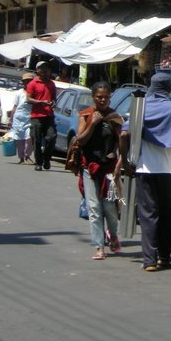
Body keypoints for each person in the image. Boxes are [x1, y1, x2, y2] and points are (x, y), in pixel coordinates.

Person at [123, 73, 171, 272]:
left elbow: (124, 134)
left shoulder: (141, 109)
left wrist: (126, 161)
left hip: (145, 169)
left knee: (148, 215)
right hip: (169, 170)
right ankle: (164, 257)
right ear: (168, 89)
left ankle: (149, 260)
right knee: (167, 215)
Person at [75, 82, 123, 260]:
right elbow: (81, 140)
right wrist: (92, 124)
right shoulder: (86, 116)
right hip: (89, 168)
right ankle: (99, 246)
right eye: (99, 97)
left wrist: (116, 155)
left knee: (110, 207)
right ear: (93, 97)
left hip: (108, 169)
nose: (102, 100)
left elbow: (121, 140)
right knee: (94, 208)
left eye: (106, 97)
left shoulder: (114, 117)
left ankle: (114, 235)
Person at [26, 61, 58, 170]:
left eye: (46, 68)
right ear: (37, 70)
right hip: (36, 117)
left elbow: (54, 99)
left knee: (52, 138)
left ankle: (47, 159)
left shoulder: (51, 84)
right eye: (42, 68)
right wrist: (41, 102)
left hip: (49, 116)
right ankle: (38, 162)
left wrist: (53, 103)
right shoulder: (33, 83)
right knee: (37, 140)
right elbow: (28, 99)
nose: (44, 70)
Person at [8, 72, 35, 162]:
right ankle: (21, 157)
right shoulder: (19, 93)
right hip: (18, 118)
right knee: (19, 139)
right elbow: (15, 106)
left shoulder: (34, 94)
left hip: (29, 118)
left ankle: (27, 155)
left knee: (29, 137)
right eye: (26, 81)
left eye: (30, 81)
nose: (28, 83)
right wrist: (10, 119)